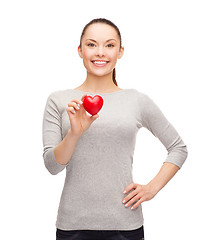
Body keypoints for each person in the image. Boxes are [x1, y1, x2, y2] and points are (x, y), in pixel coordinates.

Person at [42, 18, 188, 240]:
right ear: (80, 51)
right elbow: (52, 166)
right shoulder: (59, 100)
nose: (100, 52)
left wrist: (152, 188)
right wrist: (74, 133)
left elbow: (178, 147)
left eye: (109, 45)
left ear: (120, 52)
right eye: (92, 44)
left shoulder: (136, 100)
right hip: (72, 226)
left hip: (126, 226)